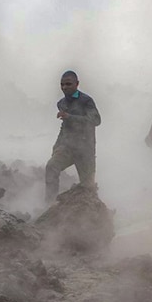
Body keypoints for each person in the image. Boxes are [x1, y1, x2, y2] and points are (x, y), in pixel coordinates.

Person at [45, 70, 101, 203]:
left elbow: (96, 120)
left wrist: (70, 117)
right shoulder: (61, 103)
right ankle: (49, 205)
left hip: (85, 149)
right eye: (62, 84)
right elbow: (65, 126)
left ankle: (96, 217)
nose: (64, 87)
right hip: (67, 147)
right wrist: (57, 145)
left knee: (88, 187)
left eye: (68, 84)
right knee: (51, 167)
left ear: (77, 84)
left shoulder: (86, 101)